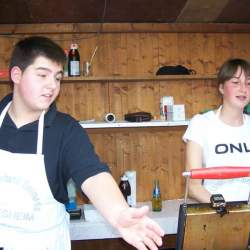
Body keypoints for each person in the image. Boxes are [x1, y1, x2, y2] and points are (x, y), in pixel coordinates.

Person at [0, 36, 164, 250]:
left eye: (58, 78)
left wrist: (118, 213)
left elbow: (92, 174)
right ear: (17, 75)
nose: (52, 86)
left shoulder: (65, 130)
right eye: (42, 75)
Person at [183, 58, 250, 203]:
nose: (243, 89)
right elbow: (193, 187)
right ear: (221, 88)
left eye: (248, 83)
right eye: (235, 82)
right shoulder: (200, 124)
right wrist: (224, 208)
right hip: (218, 215)